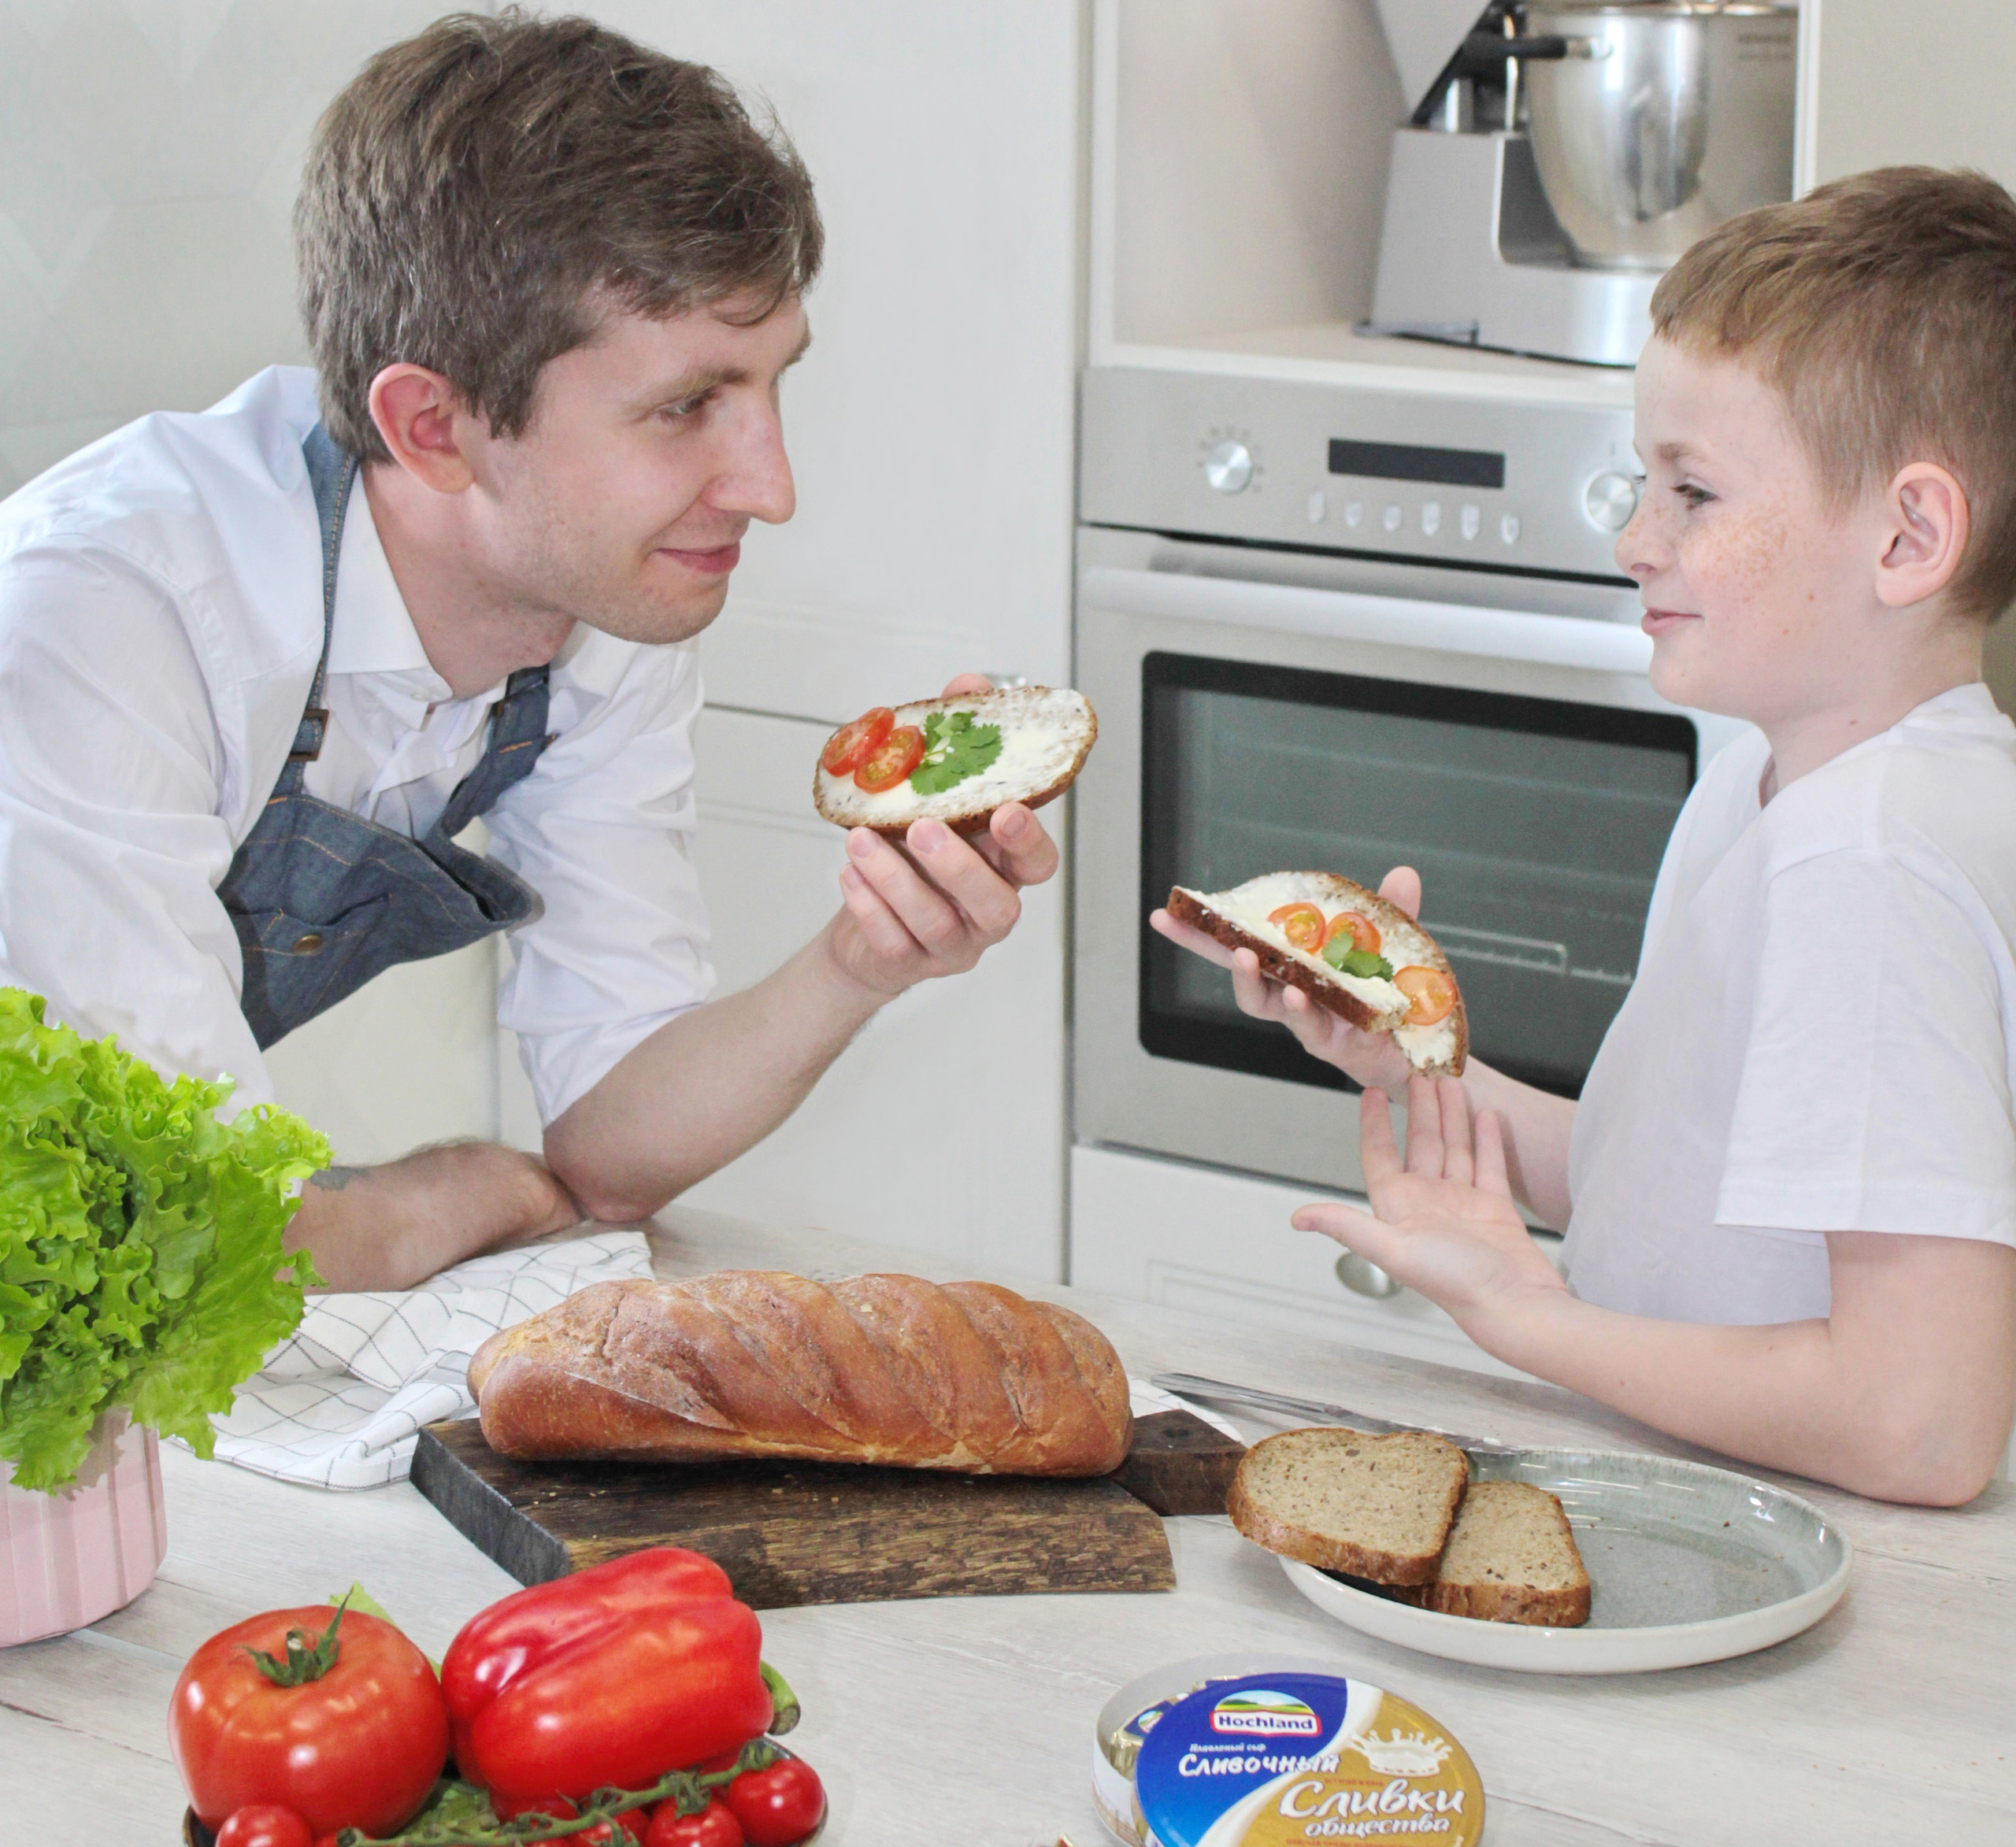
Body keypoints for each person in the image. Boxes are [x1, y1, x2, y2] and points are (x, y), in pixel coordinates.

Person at [0, 14, 1054, 1292]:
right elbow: (172, 1227)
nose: (771, 488)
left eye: (775, 386)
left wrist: (862, 962)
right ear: (433, 426)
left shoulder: (598, 601)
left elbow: (612, 1138)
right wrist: (414, 1202)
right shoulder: (103, 615)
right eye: (684, 408)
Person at [1153, 167, 2016, 1505]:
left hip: (1825, 1572)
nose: (1631, 540)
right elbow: (1672, 1177)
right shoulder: (1772, 788)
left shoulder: (1872, 859)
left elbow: (1920, 1424)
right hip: (1708, 1502)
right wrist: (1412, 1065)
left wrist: (1529, 1319)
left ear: (1910, 536)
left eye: (1694, 493)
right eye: (1639, 481)